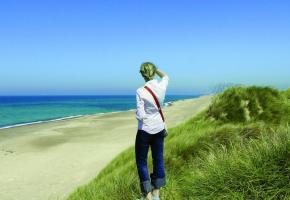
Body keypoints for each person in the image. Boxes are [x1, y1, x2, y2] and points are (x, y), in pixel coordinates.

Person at [135, 62, 169, 200]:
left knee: (142, 161)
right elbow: (166, 76)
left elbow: (141, 115)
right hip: (159, 128)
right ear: (154, 72)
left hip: (145, 131)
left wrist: (137, 115)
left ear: (142, 74)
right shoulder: (161, 86)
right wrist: (156, 68)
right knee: (158, 159)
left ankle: (148, 196)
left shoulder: (141, 91)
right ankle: (156, 194)